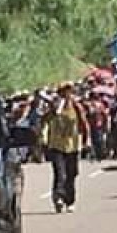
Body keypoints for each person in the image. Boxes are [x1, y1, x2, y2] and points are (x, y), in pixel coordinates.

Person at [41, 82, 89, 213]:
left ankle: (70, 200)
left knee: (71, 174)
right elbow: (44, 120)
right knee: (60, 173)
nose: (66, 94)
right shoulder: (55, 106)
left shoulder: (76, 107)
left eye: (68, 91)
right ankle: (58, 198)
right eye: (63, 91)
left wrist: (86, 141)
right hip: (56, 145)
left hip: (72, 146)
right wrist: (52, 112)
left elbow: (84, 123)